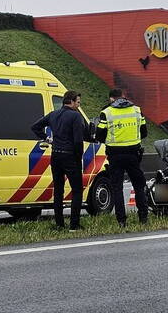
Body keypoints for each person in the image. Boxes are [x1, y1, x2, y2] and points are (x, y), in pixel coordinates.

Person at [30, 90, 87, 231]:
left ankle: (59, 224)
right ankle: (74, 224)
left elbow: (35, 127)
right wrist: (78, 158)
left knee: (58, 191)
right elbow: (78, 141)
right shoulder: (75, 117)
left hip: (55, 155)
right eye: (78, 102)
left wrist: (47, 138)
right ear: (72, 101)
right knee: (77, 190)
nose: (78, 105)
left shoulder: (54, 114)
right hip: (70, 156)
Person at [95, 87, 149, 227]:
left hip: (115, 155)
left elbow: (100, 136)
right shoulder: (137, 110)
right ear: (123, 96)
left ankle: (121, 221)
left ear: (111, 99)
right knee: (138, 185)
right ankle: (143, 218)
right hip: (133, 154)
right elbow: (144, 133)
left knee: (117, 188)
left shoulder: (106, 112)